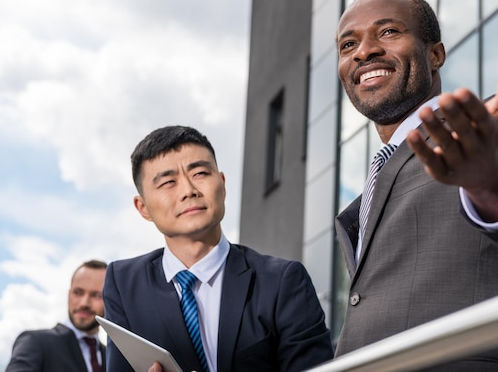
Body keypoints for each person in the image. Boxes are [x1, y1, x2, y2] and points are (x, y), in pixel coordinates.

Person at [334, 0, 498, 370]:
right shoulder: (364, 198)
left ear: (435, 54)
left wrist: (491, 182)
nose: (364, 51)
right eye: (348, 45)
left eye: (388, 32)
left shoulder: (490, 127)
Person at [103, 125, 333, 372]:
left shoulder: (281, 281)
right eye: (168, 182)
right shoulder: (124, 283)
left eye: (200, 173)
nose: (188, 191)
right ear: (143, 207)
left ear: (222, 185)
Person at [6, 259, 107, 372]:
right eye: (78, 292)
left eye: (96, 295)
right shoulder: (36, 342)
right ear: (69, 295)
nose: (84, 303)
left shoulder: (115, 357)